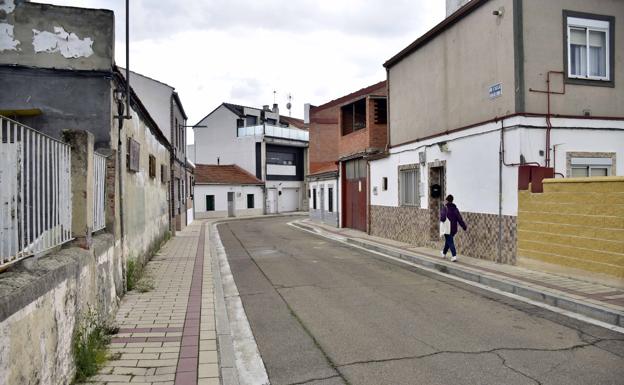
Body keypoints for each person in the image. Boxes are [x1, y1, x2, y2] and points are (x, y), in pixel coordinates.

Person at [440, 194, 467, 262]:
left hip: (447, 228)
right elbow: (459, 219)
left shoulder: (445, 208)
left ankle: (454, 255)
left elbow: (443, 218)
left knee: (450, 241)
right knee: (448, 241)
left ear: (447, 200)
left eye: (445, 200)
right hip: (454, 229)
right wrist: (464, 226)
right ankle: (443, 253)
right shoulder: (455, 209)